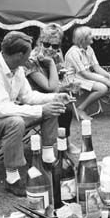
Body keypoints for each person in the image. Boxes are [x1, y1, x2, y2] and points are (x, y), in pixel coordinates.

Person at [0, 31, 73, 197]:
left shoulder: (17, 68)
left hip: (2, 115)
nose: (31, 58)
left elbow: (27, 97)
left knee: (52, 106)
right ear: (19, 55)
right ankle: (12, 179)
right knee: (15, 122)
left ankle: (47, 160)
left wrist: (55, 97)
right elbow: (1, 109)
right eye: (29, 54)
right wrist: (40, 110)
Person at [24, 24, 80, 155]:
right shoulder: (31, 61)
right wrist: (51, 64)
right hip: (32, 98)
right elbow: (50, 87)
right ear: (39, 42)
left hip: (49, 96)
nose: (50, 49)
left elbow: (57, 83)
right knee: (61, 109)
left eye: (55, 46)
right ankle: (54, 147)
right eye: (46, 44)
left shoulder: (56, 56)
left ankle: (64, 143)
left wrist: (68, 86)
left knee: (67, 109)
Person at [64, 26, 110, 120]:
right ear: (83, 38)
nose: (92, 36)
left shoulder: (89, 48)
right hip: (73, 78)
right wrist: (104, 81)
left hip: (85, 75)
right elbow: (84, 73)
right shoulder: (73, 52)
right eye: (89, 35)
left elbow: (96, 67)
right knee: (103, 88)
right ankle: (80, 109)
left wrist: (109, 76)